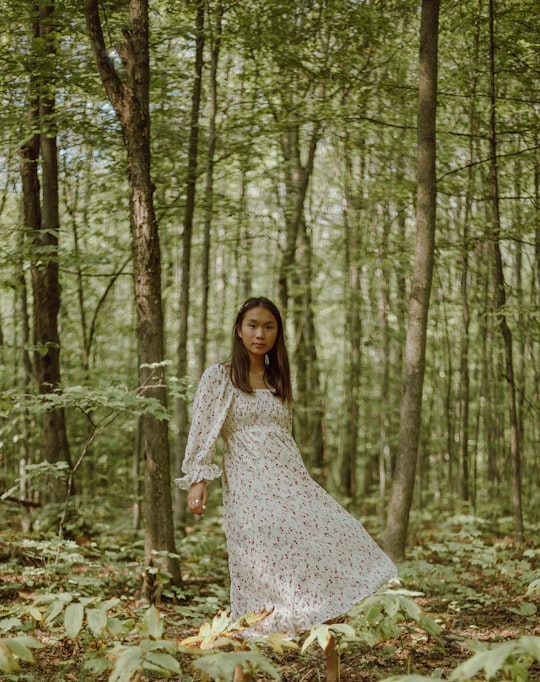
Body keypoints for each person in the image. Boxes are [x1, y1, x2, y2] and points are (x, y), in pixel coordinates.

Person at [176, 296, 397, 681]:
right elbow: (203, 433)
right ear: (239, 330)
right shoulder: (220, 376)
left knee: (321, 554)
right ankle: (241, 674)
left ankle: (332, 672)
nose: (260, 334)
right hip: (248, 491)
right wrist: (199, 482)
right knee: (249, 574)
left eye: (268, 327)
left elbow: (284, 439)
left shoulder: (279, 380)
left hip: (292, 484)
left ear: (277, 333)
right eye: (252, 325)